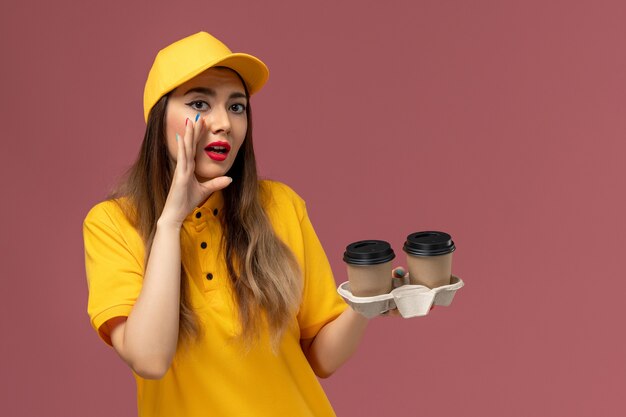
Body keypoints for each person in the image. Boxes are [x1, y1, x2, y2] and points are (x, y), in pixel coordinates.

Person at [83, 31, 379, 416]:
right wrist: (171, 221)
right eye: (200, 103)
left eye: (237, 107)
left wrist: (365, 303)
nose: (223, 123)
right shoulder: (113, 224)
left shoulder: (280, 206)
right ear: (159, 117)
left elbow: (322, 358)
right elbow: (150, 360)